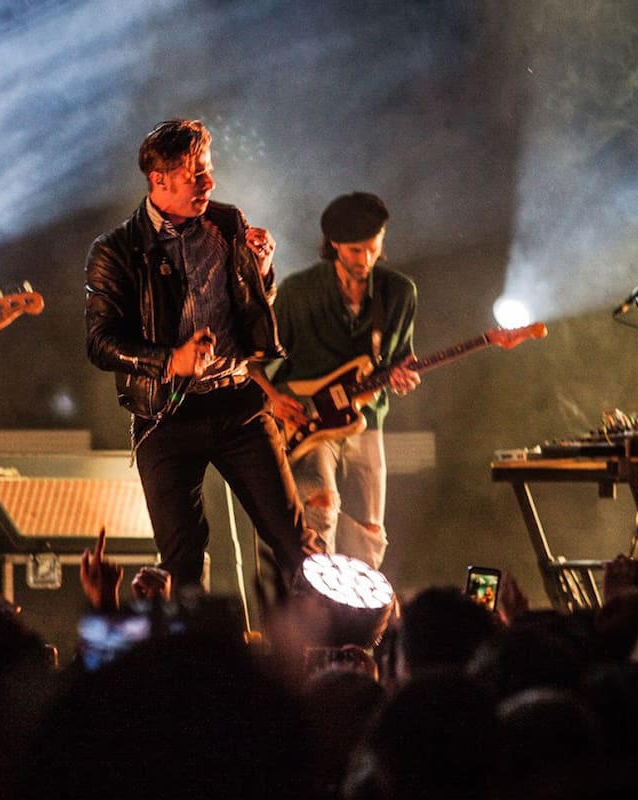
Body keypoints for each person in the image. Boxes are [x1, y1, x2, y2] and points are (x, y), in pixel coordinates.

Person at [84, 119, 320, 596]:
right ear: (160, 180)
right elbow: (101, 343)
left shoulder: (228, 222)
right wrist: (171, 361)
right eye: (196, 175)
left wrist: (262, 270)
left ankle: (327, 653)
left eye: (209, 171)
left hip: (238, 406)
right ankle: (197, 661)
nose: (209, 183)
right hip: (164, 416)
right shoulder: (116, 251)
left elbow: (253, 307)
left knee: (296, 544)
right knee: (182, 560)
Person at [253, 192, 419, 568]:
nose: (365, 261)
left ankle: (362, 622)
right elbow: (253, 360)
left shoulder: (400, 293)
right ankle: (314, 611)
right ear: (333, 246)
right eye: (355, 251)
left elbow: (400, 360)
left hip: (366, 418)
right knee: (319, 513)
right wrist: (273, 400)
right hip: (305, 419)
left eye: (373, 250)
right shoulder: (298, 292)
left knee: (368, 532)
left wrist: (403, 376)